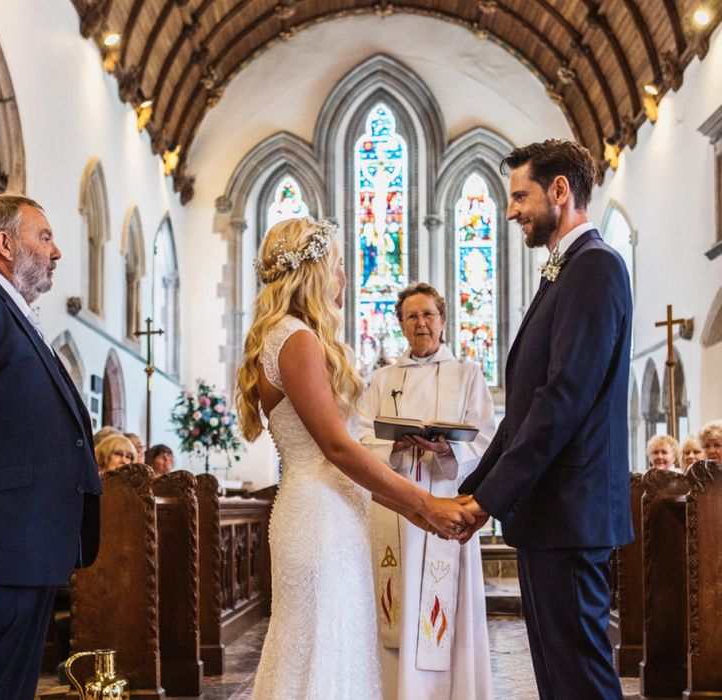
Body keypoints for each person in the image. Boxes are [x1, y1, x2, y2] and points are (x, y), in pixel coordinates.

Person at [236, 218, 473, 699]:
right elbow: (338, 447)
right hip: (320, 517)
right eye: (340, 266)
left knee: (325, 651)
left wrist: (413, 510)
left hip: (322, 511)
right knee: (323, 654)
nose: (345, 277)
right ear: (315, 270)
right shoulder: (296, 338)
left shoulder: (286, 334)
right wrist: (425, 503)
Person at [458, 140, 633, 699]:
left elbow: (562, 400)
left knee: (581, 680)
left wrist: (486, 501)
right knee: (558, 680)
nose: (511, 211)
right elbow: (526, 408)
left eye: (519, 196)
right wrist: (475, 490)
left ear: (561, 191)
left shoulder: (596, 268)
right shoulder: (565, 272)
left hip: (572, 514)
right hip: (550, 517)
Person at [0, 194, 101, 699]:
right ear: (5, 244)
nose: (57, 251)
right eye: (45, 237)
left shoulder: (8, 310)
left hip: (22, 547)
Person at [358, 282, 494, 700]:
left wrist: (446, 446)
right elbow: (361, 440)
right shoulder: (382, 379)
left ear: (444, 320)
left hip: (447, 503)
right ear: (400, 324)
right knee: (396, 604)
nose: (421, 323)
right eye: (412, 316)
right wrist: (394, 444)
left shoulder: (468, 374)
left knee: (446, 603)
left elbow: (486, 442)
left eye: (429, 314)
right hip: (396, 508)